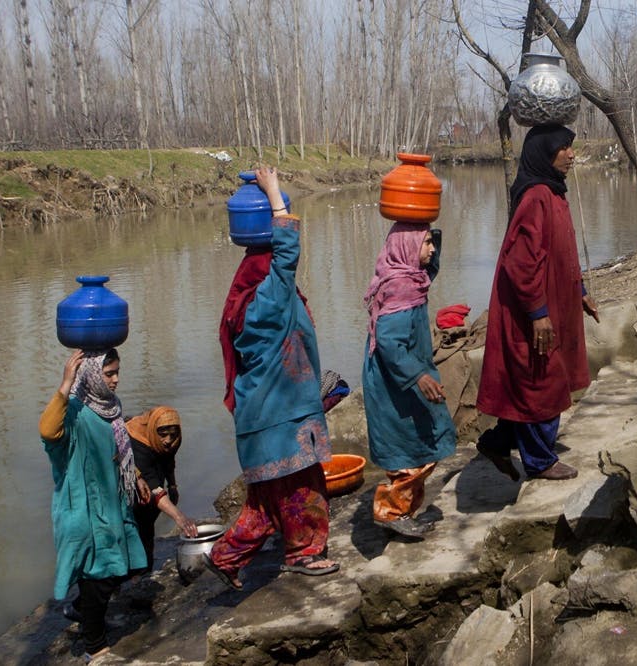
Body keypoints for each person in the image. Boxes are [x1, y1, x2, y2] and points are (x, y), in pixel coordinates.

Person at [205, 165, 338, 589]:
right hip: (280, 417)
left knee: (265, 500)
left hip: (259, 415)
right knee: (303, 490)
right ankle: (304, 553)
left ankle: (225, 557)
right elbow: (286, 255)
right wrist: (276, 193)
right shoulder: (268, 300)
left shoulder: (242, 302)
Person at [475, 124, 600, 482]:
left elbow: (560, 255)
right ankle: (540, 460)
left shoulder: (554, 194)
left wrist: (580, 292)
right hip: (531, 312)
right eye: (564, 148)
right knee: (540, 381)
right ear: (543, 153)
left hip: (553, 305)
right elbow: (521, 263)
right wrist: (538, 313)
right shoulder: (534, 198)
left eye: (571, 148)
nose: (571, 154)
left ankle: (498, 442)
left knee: (542, 377)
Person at [39, 348, 147, 661]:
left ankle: (79, 610)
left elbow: (119, 451)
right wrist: (65, 382)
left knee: (123, 568)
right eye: (108, 373)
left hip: (111, 505)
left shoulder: (111, 408)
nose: (115, 380)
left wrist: (135, 475)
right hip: (83, 509)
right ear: (90, 375)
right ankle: (94, 648)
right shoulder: (73, 412)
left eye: (117, 372)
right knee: (97, 578)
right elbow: (47, 431)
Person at [362, 224, 457, 540]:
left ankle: (403, 513)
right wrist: (419, 376)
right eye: (426, 242)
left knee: (421, 441)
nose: (432, 249)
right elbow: (389, 342)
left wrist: (430, 227)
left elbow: (432, 265)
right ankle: (390, 511)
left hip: (401, 375)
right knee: (411, 448)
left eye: (432, 242)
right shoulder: (401, 287)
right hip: (396, 380)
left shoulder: (412, 279)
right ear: (406, 247)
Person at [126, 405, 200, 569]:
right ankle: (135, 573)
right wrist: (179, 516)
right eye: (163, 435)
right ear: (153, 430)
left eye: (172, 435)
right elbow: (151, 485)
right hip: (136, 487)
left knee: (147, 529)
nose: (168, 440)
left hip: (154, 483)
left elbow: (169, 461)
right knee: (136, 527)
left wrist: (172, 485)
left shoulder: (173, 440)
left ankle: (145, 568)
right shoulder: (137, 439)